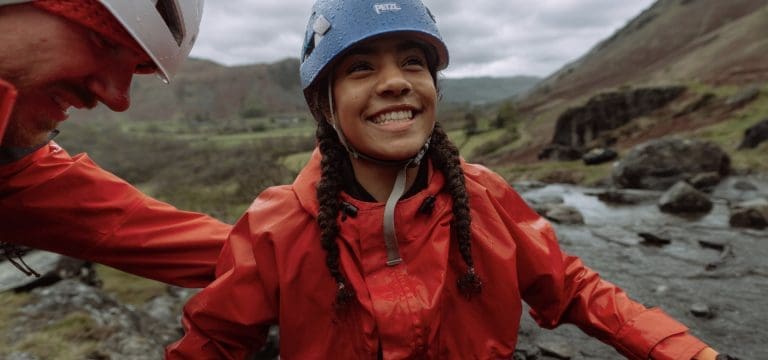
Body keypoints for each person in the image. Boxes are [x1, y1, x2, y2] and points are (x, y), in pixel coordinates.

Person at [166, 0, 725, 359]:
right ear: (324, 105)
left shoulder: (485, 198)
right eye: (361, 68)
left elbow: (573, 287)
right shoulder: (278, 226)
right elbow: (214, 343)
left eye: (413, 63)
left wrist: (686, 353)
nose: (395, 83)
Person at [0, 0, 228, 287]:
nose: (118, 99)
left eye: (133, 68)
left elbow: (141, 229)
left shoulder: (14, 170)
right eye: (104, 40)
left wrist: (290, 250)